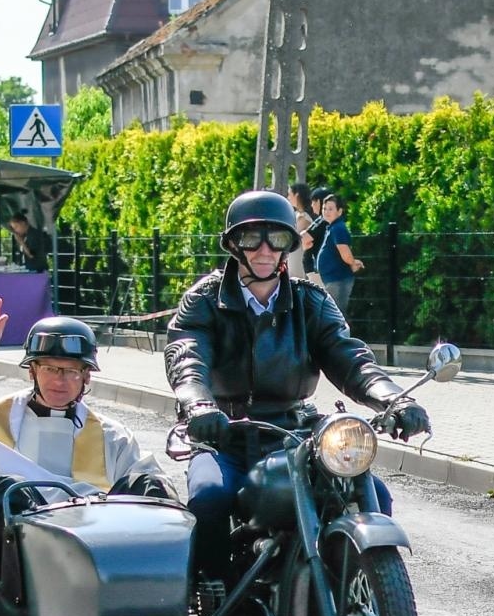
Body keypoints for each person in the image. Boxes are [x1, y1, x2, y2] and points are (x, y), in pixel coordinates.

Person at [165, 190, 430, 577]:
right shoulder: (203, 299)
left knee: (372, 492)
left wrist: (394, 400)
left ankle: (357, 591)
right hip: (225, 435)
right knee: (209, 497)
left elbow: (350, 358)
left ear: (290, 244)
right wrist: (199, 406)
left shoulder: (311, 300)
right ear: (233, 245)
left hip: (294, 434)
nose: (265, 250)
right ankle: (213, 608)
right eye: (252, 238)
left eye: (278, 239)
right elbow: (186, 357)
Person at [0, 300, 173, 581]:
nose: (60, 381)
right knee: (13, 491)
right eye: (50, 369)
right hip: (14, 568)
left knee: (152, 486)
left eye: (71, 370)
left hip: (97, 551)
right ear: (32, 371)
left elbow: (148, 490)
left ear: (86, 376)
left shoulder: (111, 434)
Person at [316, 193, 364, 314]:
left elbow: (345, 253)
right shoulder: (333, 227)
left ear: (339, 211)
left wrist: (353, 262)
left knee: (334, 313)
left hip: (338, 279)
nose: (326, 211)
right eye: (324, 208)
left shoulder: (338, 228)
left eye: (330, 209)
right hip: (333, 279)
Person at [285, 183, 316, 281]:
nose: (288, 197)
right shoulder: (296, 215)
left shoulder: (304, 218)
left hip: (298, 257)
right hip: (292, 256)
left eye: (290, 194)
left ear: (296, 195)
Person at [302, 187, 329, 280]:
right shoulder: (332, 220)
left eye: (313, 202)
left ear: (318, 201)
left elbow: (305, 238)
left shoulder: (322, 220)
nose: (312, 205)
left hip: (318, 271)